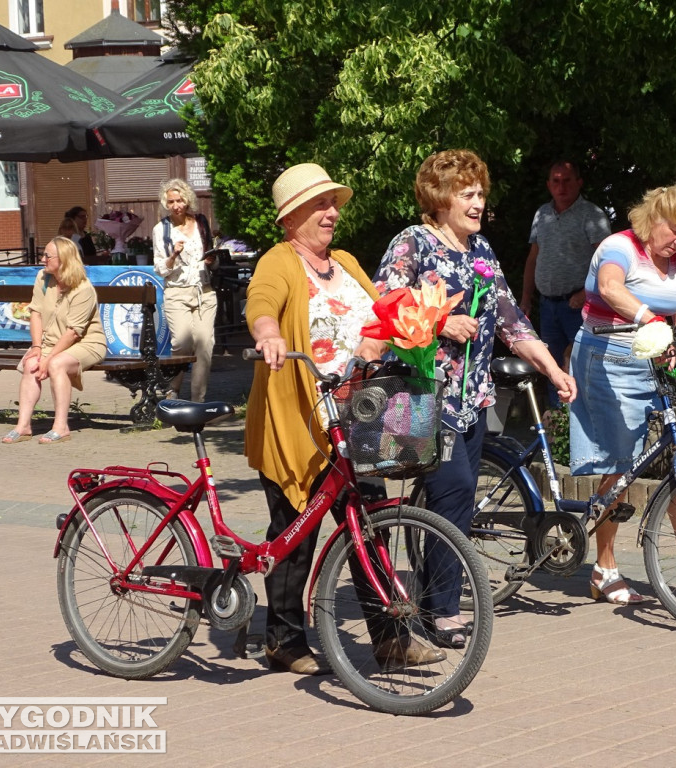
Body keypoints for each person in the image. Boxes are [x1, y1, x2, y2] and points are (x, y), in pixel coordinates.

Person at [245, 163, 445, 675]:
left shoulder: (348, 262)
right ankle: (284, 642)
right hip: (302, 417)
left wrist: (420, 323)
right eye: (320, 204)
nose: (332, 212)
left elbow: (385, 313)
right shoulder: (278, 261)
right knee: (296, 528)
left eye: (333, 202)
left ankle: (391, 638)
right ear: (291, 217)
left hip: (357, 416)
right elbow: (262, 303)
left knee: (370, 523)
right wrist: (268, 334)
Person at [373, 149, 576, 646]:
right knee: (457, 491)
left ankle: (427, 599)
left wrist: (552, 368)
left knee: (454, 502)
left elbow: (510, 317)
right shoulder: (413, 244)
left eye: (481, 193)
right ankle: (443, 609)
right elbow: (385, 304)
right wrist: (441, 321)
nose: (478, 202)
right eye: (468, 194)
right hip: (420, 397)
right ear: (440, 198)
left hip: (471, 399)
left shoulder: (481, 250)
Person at [569, 185, 676, 605]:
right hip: (608, 361)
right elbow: (609, 288)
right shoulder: (619, 246)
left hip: (656, 364)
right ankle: (604, 568)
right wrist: (650, 321)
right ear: (652, 220)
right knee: (622, 462)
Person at [519, 160, 611, 405]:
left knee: (583, 365)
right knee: (552, 366)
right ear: (549, 185)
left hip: (579, 306)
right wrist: (526, 299)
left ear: (579, 182)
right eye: (556, 181)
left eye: (567, 180)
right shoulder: (542, 214)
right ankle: (557, 426)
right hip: (548, 306)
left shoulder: (592, 215)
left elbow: (609, 260)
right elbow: (533, 258)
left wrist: (585, 293)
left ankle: (585, 424)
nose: (562, 186)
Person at [0, 237, 107, 445]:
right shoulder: (43, 278)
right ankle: (23, 426)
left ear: (64, 259)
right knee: (32, 362)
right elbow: (36, 313)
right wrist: (37, 347)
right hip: (51, 342)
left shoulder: (83, 289)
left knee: (57, 364)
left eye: (47, 256)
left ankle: (61, 427)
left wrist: (48, 360)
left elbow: (74, 333)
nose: (42, 259)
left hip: (87, 343)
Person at [151, 178, 216, 402]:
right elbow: (160, 269)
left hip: (204, 290)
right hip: (177, 292)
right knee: (182, 343)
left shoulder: (200, 222)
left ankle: (198, 400)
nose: (176, 205)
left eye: (180, 200)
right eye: (171, 202)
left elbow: (211, 252)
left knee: (205, 343)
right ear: (165, 204)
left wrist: (212, 260)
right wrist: (173, 256)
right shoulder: (161, 230)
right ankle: (174, 388)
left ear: (187, 200)